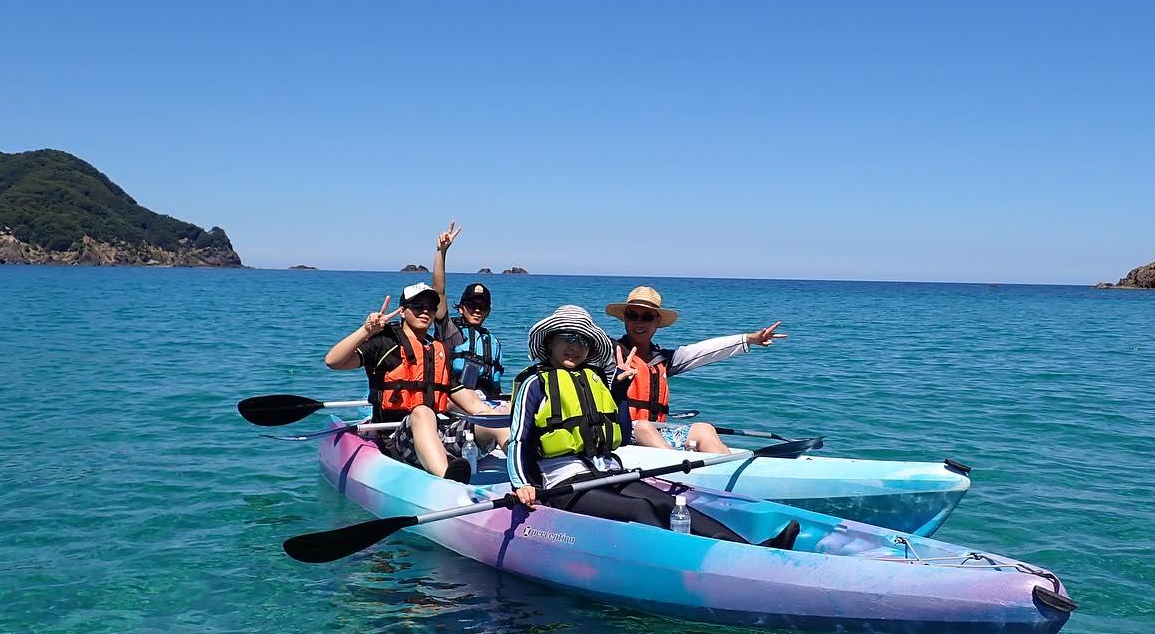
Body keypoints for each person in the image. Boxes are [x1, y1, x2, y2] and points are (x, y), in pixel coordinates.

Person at [505, 305, 799, 548]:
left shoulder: (595, 379)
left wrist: (619, 391)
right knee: (641, 508)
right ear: (550, 342)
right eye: (567, 337)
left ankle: (747, 550)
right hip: (564, 483)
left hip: (607, 474)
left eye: (582, 340)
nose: (574, 346)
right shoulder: (535, 383)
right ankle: (684, 560)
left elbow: (616, 432)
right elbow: (518, 438)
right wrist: (521, 484)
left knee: (671, 504)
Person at [324, 280, 508, 482]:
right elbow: (333, 361)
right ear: (402, 311)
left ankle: (526, 473)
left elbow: (471, 403)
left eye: (430, 307)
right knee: (422, 411)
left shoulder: (436, 350)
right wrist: (366, 331)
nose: (425, 312)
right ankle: (448, 478)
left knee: (493, 419)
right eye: (417, 306)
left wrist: (498, 417)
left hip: (436, 434)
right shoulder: (384, 343)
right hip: (397, 439)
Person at [604, 285, 786, 453]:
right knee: (644, 426)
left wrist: (748, 339)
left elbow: (702, 351)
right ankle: (675, 469)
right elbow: (584, 338)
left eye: (647, 317)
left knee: (704, 429)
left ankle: (729, 476)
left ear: (657, 321)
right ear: (625, 319)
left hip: (656, 434)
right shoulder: (609, 353)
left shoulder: (663, 359)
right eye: (633, 316)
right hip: (622, 435)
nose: (639, 323)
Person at [430, 222, 505, 397]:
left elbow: (496, 385)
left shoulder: (491, 341)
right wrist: (441, 252)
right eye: (472, 306)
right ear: (462, 308)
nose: (477, 310)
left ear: (488, 311)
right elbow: (438, 291)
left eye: (483, 307)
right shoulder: (449, 331)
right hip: (453, 401)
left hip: (487, 403)